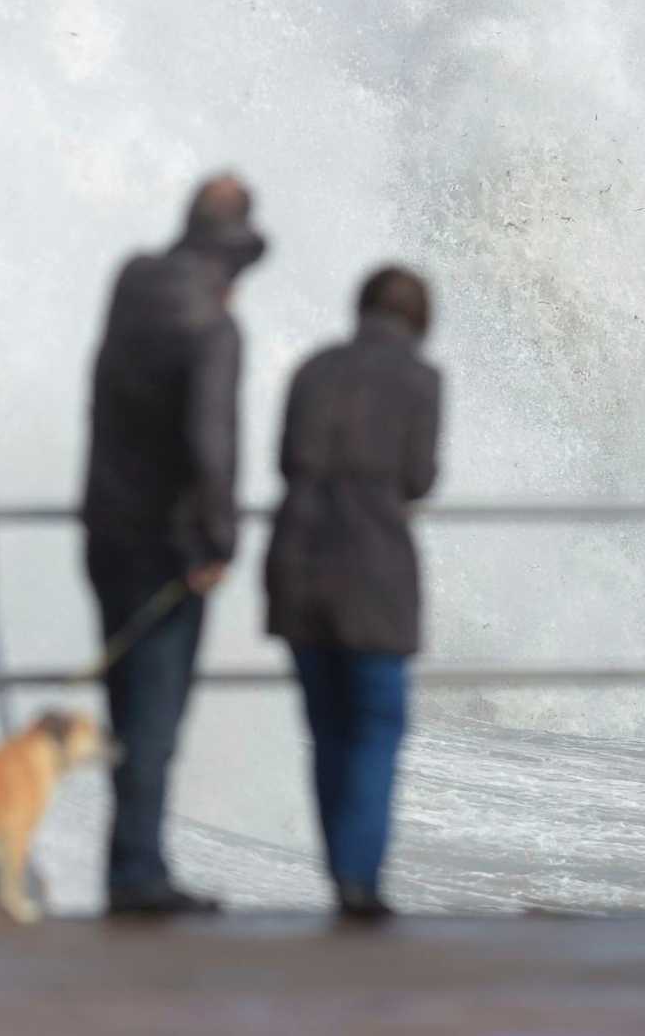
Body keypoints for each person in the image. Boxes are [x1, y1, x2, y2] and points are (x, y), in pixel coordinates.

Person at [80, 173, 266, 918]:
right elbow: (210, 437)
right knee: (155, 715)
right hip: (169, 544)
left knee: (125, 706)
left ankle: (130, 861)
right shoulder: (214, 328)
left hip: (105, 527)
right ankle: (137, 873)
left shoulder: (132, 281)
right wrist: (219, 536)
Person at [264, 264, 443, 922]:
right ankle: (357, 881)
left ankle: (342, 870)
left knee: (327, 728)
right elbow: (419, 478)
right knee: (377, 725)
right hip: (374, 574)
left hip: (298, 564)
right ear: (420, 322)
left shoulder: (313, 369)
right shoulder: (421, 381)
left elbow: (285, 460)